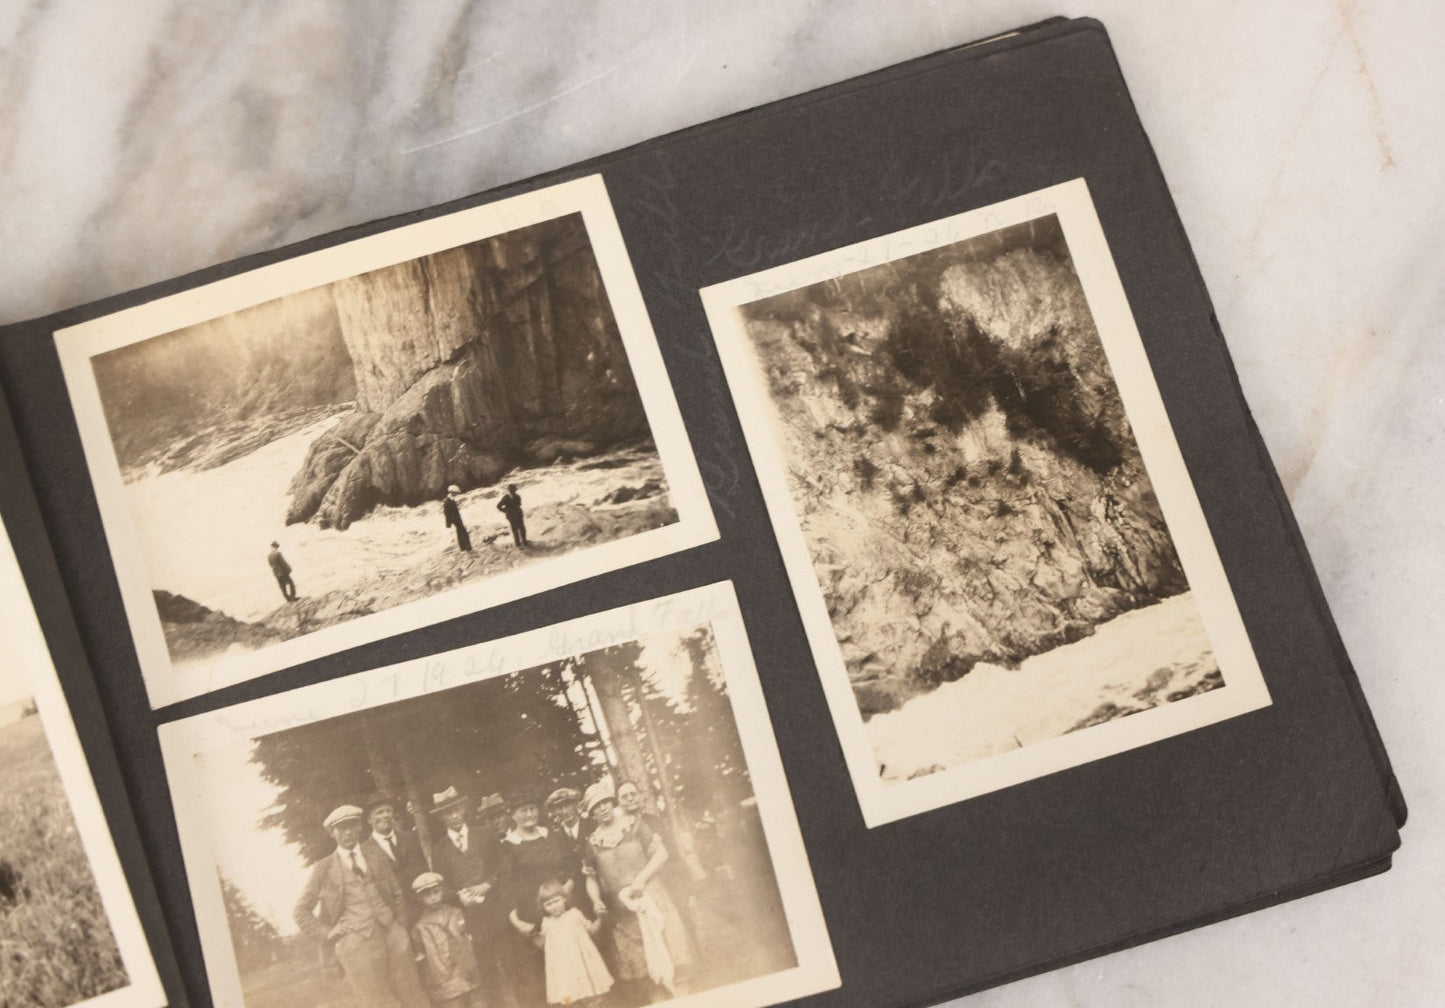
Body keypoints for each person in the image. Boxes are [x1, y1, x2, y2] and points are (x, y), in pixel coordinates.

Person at [292, 805, 428, 1008]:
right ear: (332, 832)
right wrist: (329, 932)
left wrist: (399, 925)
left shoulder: (375, 854)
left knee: (413, 995)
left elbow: (396, 892)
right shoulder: (324, 868)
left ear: (359, 828)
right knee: (377, 1002)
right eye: (341, 828)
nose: (348, 832)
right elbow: (300, 911)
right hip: (357, 946)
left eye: (352, 826)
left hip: (394, 935)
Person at [583, 782, 694, 1004]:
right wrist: (596, 900)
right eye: (597, 806)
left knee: (673, 958)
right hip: (623, 913)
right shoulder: (592, 843)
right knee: (645, 972)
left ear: (612, 803)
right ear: (591, 812)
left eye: (606, 803)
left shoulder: (635, 826)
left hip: (654, 899)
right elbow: (591, 877)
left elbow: (661, 854)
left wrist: (641, 879)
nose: (603, 808)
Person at [428, 787, 511, 1007]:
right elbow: (440, 887)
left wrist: (488, 884)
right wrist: (458, 895)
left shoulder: (483, 835)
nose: (454, 816)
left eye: (456, 810)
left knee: (512, 963)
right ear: (442, 818)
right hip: (469, 920)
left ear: (463, 809)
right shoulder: (439, 850)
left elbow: (503, 865)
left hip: (497, 910)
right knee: (486, 971)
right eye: (448, 813)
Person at [532, 879, 613, 1008]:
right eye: (548, 904)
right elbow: (543, 944)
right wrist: (534, 936)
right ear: (543, 907)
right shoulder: (546, 923)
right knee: (569, 1000)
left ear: (564, 899)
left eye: (556, 901)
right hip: (563, 969)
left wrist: (600, 918)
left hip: (582, 963)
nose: (553, 907)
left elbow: (592, 930)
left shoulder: (574, 914)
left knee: (590, 996)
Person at [411, 872, 486, 1008]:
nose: (433, 898)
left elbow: (466, 939)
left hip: (469, 974)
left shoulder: (456, 913)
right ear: (419, 898)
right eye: (427, 895)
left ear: (442, 891)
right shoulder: (421, 927)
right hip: (446, 985)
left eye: (436, 892)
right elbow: (423, 957)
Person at [361, 792, 428, 917]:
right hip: (393, 916)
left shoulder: (411, 838)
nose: (385, 815)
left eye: (388, 811)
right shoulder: (364, 852)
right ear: (369, 819)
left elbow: (425, 872)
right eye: (379, 812)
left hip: (423, 909)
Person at [443, 485, 472, 552]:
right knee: (463, 532)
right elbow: (446, 513)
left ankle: (464, 548)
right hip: (456, 520)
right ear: (451, 492)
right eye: (455, 493)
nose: (456, 494)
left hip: (456, 520)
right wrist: (451, 522)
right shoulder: (448, 501)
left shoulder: (450, 500)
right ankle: (467, 548)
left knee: (460, 532)